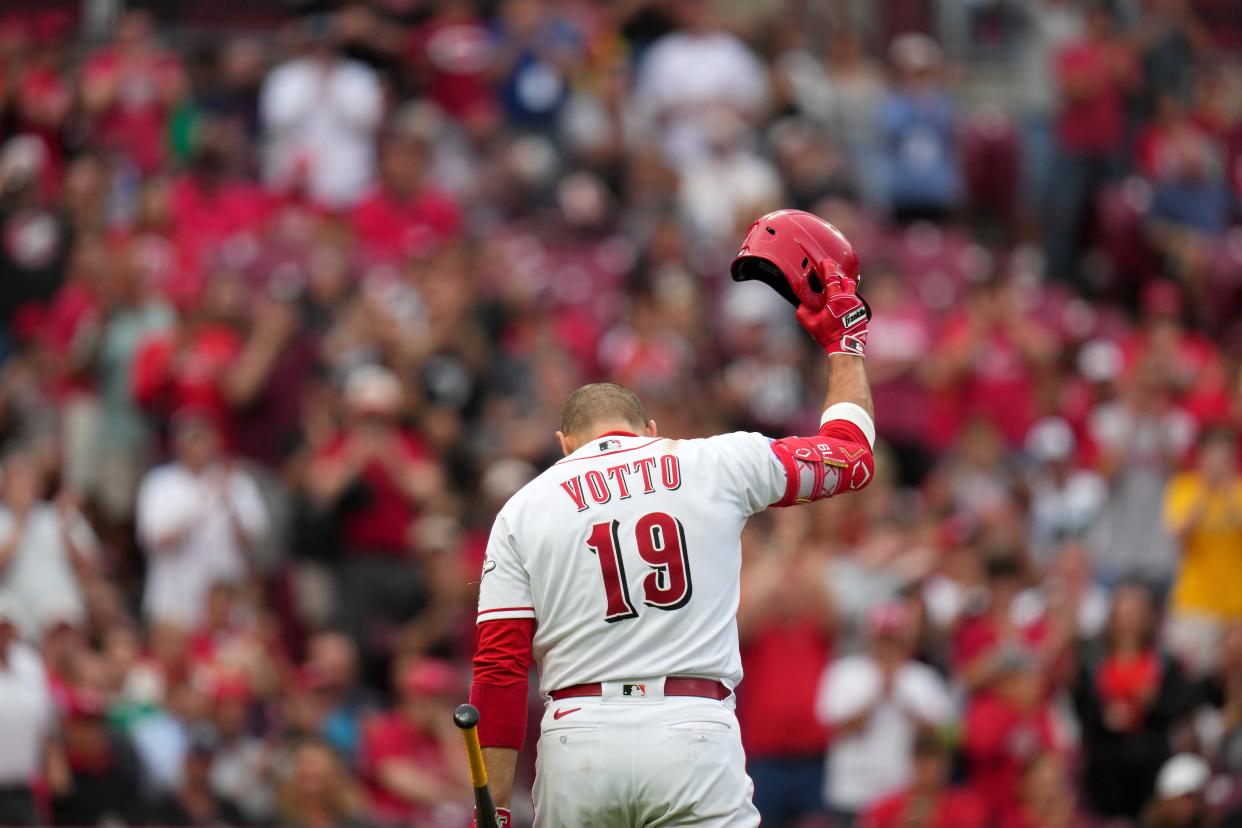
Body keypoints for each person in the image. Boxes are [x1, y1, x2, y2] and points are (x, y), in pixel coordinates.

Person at [468, 209, 876, 826]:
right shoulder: (711, 460)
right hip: (693, 728)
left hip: (580, 740)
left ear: (564, 445)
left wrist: (493, 808)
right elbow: (851, 457)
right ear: (650, 432)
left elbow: (499, 671)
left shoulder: (523, 508)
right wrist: (843, 346)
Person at [816, 602, 955, 823]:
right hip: (851, 791)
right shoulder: (845, 672)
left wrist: (904, 700)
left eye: (894, 640)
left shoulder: (922, 678)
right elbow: (837, 728)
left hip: (902, 793)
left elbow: (940, 736)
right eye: (883, 640)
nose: (888, 648)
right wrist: (878, 694)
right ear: (870, 639)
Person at [135, 408, 269, 627]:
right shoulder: (160, 483)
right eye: (193, 440)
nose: (200, 447)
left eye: (205, 439)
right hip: (175, 602)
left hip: (226, 602)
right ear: (179, 444)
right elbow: (155, 539)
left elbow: (254, 539)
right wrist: (201, 506)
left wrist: (229, 501)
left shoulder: (236, 481)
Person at [1073, 581, 1195, 819]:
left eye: (1135, 613)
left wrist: (1154, 703)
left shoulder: (1165, 661)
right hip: (1106, 764)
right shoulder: (1091, 660)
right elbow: (1081, 707)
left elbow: (1179, 706)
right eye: (1124, 613)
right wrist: (1104, 716)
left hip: (1151, 762)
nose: (1129, 620)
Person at [1163, 427, 1242, 675]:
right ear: (1201, 457)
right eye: (1212, 456)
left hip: (1237, 604)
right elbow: (1179, 535)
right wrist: (1205, 492)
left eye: (1224, 457)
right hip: (1195, 603)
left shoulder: (1239, 490)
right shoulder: (1184, 487)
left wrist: (1227, 490)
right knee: (1193, 678)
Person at [859, 731, 986, 828]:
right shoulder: (883, 808)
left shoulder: (967, 808)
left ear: (946, 764)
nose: (927, 767)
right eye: (921, 760)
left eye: (934, 760)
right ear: (912, 762)